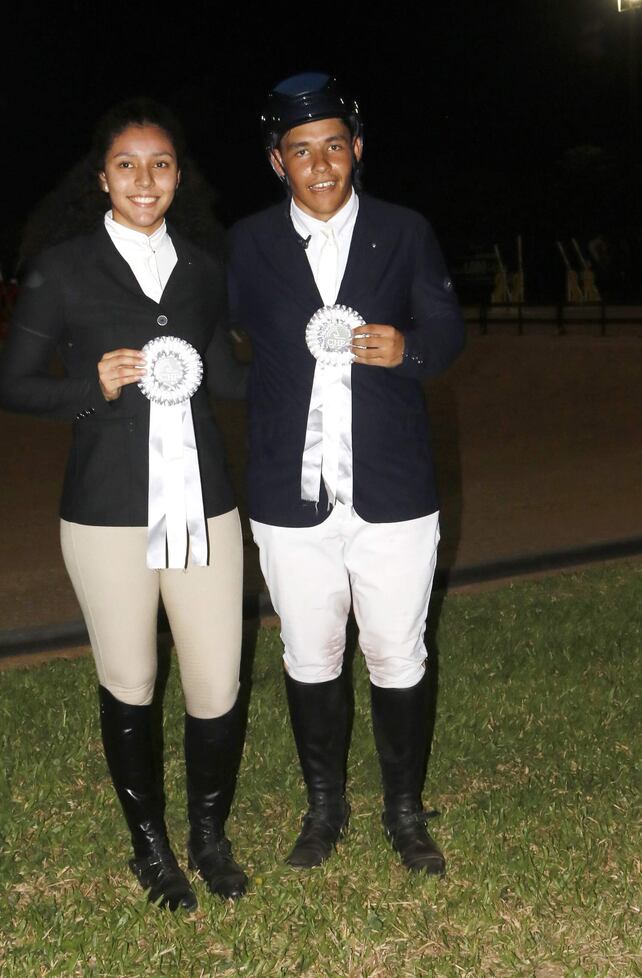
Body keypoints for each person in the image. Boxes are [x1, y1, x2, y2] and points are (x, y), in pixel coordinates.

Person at [0, 98, 249, 911]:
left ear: (181, 176)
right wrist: (90, 387)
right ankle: (152, 849)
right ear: (101, 178)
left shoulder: (206, 271)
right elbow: (13, 388)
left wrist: (312, 361)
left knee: (217, 682)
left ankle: (208, 837)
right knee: (132, 677)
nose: (147, 180)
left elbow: (230, 379)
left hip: (207, 505)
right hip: (106, 511)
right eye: (129, 165)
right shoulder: (62, 269)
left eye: (163, 164)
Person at [228, 73, 465, 876]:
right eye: (302, 150)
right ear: (277, 161)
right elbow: (218, 342)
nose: (321, 163)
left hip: (394, 491)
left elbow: (447, 327)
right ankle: (324, 810)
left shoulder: (405, 231)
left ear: (357, 149)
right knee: (310, 653)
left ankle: (404, 812)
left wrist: (412, 349)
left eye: (334, 145)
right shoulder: (249, 243)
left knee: (399, 651)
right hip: (289, 498)